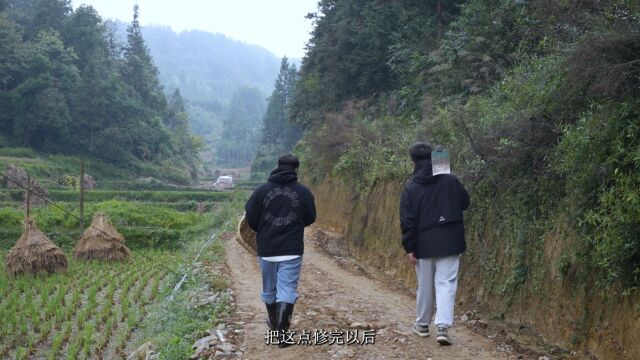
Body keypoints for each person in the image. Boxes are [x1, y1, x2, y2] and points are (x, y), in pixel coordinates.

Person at [399, 142, 470, 345]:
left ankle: (422, 325)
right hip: (450, 241)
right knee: (446, 284)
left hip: (423, 244)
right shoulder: (449, 179)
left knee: (425, 286)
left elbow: (407, 221)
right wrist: (446, 177)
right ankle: (442, 327)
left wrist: (409, 247)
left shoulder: (411, 187)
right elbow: (465, 202)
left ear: (413, 161)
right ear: (434, 158)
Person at [244, 154, 316, 348]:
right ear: (296, 169)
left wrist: (264, 230)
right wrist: (294, 224)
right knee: (287, 289)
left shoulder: (261, 191)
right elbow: (310, 217)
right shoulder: (303, 192)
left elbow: (250, 217)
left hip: (266, 249)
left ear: (277, 166)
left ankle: (275, 325)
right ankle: (282, 335)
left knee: (269, 289)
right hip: (292, 249)